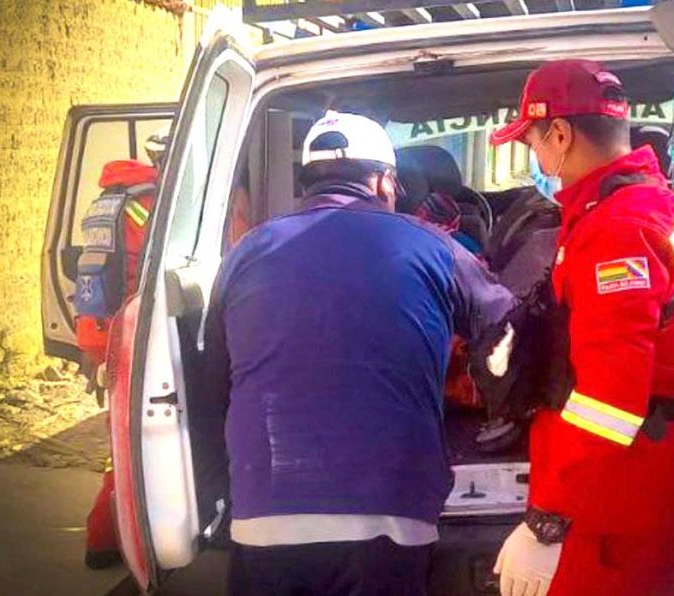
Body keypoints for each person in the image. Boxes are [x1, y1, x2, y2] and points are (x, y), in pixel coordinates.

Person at [201, 110, 516, 596]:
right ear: (384, 182)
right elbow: (509, 329)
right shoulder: (433, 245)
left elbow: (214, 379)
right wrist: (504, 409)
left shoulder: (244, 253)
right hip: (389, 515)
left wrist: (218, 487)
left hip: (264, 511)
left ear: (307, 184)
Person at [489, 60, 674, 596]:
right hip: (631, 479)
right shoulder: (636, 206)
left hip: (612, 503)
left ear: (561, 135)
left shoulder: (618, 230)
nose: (534, 156)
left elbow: (610, 403)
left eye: (532, 141)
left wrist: (548, 520)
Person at [75, 128, 170, 569]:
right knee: (135, 444)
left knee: (123, 436)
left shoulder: (109, 199)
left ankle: (108, 538)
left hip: (96, 330)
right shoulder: (150, 202)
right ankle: (107, 537)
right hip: (129, 331)